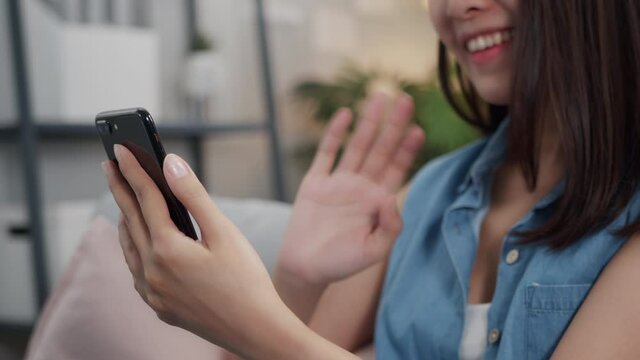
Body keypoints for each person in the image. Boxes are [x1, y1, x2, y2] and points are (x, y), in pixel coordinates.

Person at [101, 0, 640, 358]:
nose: (456, 7)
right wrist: (297, 276)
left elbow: (277, 343)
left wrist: (256, 321)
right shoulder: (426, 195)